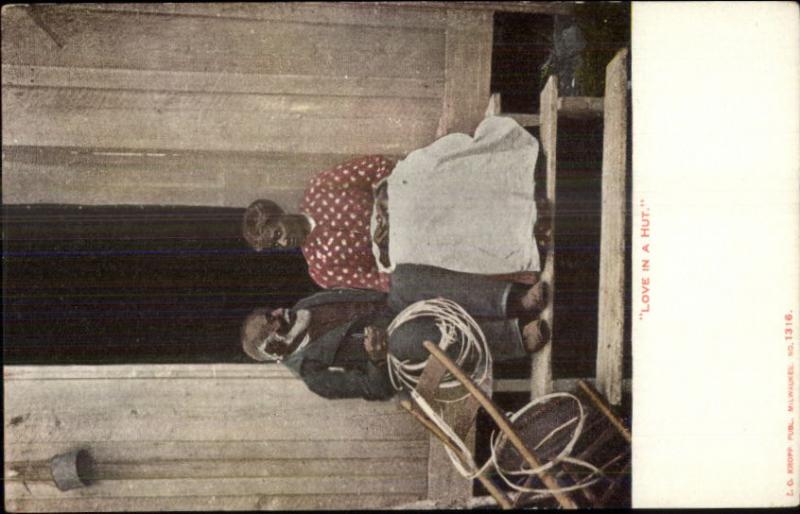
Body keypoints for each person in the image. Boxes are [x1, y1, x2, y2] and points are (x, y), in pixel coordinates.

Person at [241, 264, 550, 401]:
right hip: (399, 362)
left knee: (405, 278)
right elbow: (377, 390)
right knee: (406, 339)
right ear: (275, 346)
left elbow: (370, 296)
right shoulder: (313, 375)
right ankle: (516, 338)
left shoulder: (305, 306)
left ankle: (515, 302)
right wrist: (376, 359)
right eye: (273, 319)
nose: (281, 311)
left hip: (392, 310)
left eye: (273, 310)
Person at [243, 155, 395, 292]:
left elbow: (377, 166)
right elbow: (381, 282)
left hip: (405, 205)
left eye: (278, 233)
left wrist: (387, 204)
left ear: (280, 213)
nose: (284, 242)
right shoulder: (321, 269)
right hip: (404, 254)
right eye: (276, 245)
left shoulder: (320, 188)